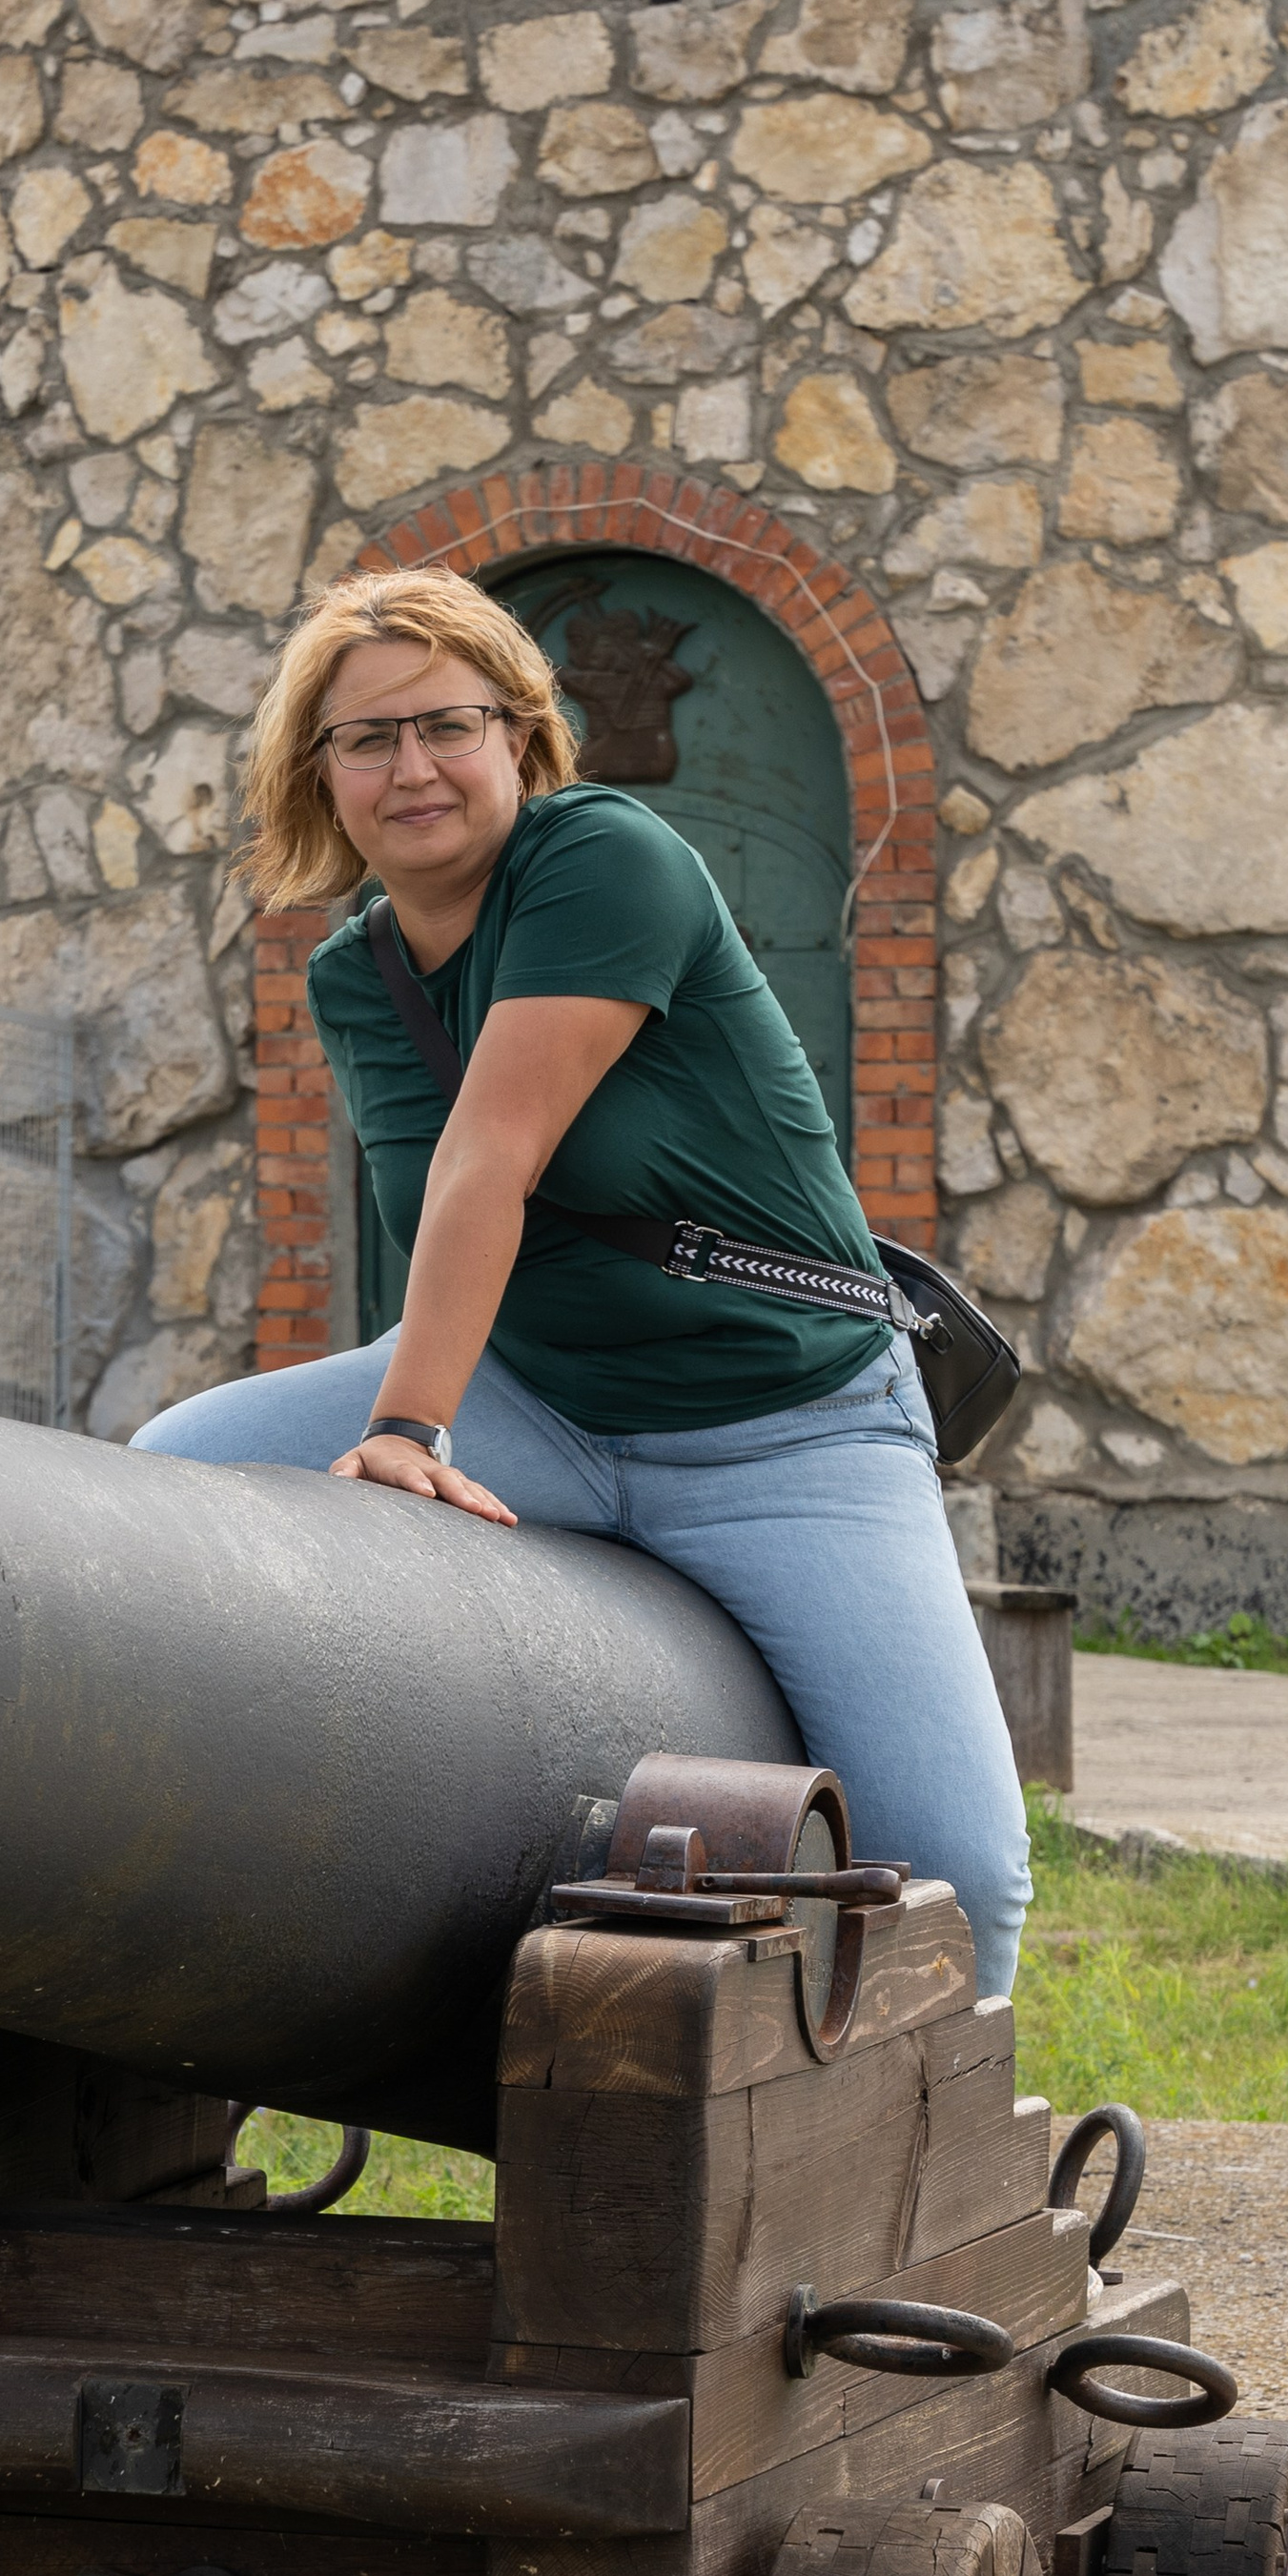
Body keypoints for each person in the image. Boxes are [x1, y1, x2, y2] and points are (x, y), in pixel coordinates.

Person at [133, 564, 1031, 1996]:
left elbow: (492, 1157)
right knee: (169, 1482)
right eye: (365, 739)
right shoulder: (357, 973)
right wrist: (432, 1406)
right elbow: (450, 1214)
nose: (411, 767)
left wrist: (409, 1431)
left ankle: (944, 2139)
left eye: (447, 725)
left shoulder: (604, 854)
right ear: (318, 774)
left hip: (783, 1423)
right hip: (537, 1402)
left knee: (959, 1865)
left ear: (521, 736)